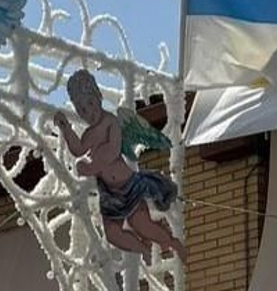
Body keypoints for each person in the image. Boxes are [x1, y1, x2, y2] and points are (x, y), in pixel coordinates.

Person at [53, 70, 185, 258]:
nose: (88, 112)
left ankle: (171, 242)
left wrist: (90, 167)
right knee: (112, 235)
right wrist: (65, 127)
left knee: (143, 225)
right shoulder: (89, 134)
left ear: (99, 96)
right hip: (109, 194)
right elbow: (78, 149)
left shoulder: (110, 122)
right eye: (81, 109)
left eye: (90, 103)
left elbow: (112, 151)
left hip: (128, 187)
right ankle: (142, 248)